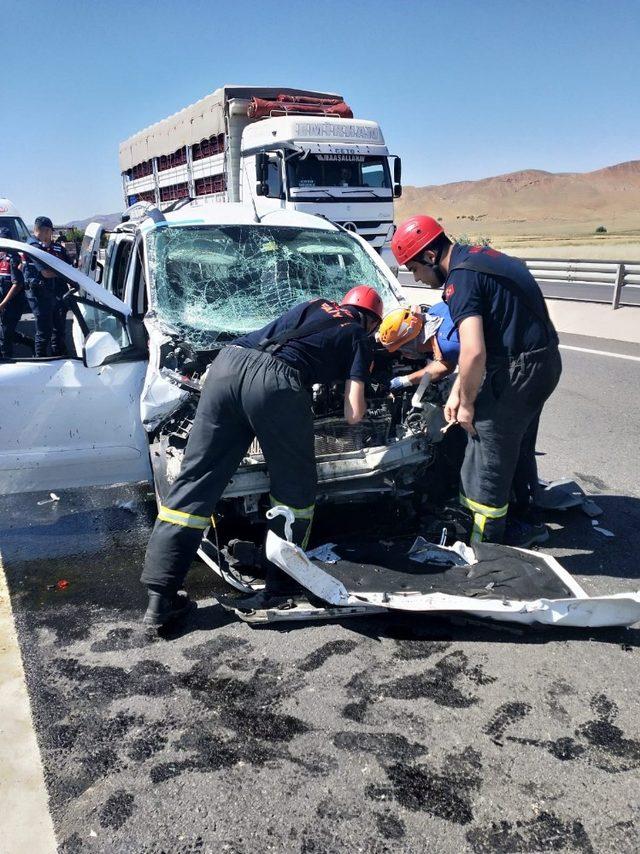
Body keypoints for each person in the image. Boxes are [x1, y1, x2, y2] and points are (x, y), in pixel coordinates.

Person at [141, 285, 384, 628]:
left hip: (228, 363)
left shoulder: (314, 304)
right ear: (372, 322)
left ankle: (160, 598)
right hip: (276, 383)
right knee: (294, 491)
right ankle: (280, 586)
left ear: (344, 303)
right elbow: (354, 412)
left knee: (195, 481)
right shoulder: (359, 335)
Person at [392, 215, 562, 547]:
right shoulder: (479, 257)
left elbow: (472, 352)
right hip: (542, 362)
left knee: (484, 453)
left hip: (517, 370)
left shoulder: (460, 280)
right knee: (518, 443)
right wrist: (459, 390)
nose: (418, 277)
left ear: (430, 256)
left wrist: (467, 405)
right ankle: (526, 516)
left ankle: (486, 543)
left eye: (414, 269)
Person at [378, 301, 460, 392]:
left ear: (415, 341)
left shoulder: (449, 344)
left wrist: (405, 380)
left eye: (404, 350)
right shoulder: (434, 311)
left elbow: (446, 367)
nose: (405, 354)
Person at [23, 216, 71, 357]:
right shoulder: (34, 247)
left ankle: (58, 355)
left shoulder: (49, 247)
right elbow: (46, 273)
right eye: (51, 232)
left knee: (57, 328)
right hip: (40, 294)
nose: (51, 235)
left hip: (51, 294)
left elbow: (69, 264)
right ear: (47, 231)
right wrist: (64, 273)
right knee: (44, 331)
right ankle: (40, 359)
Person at [0, 228, 28, 358]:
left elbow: (17, 284)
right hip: (4, 304)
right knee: (5, 332)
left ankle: (7, 361)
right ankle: (29, 342)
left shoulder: (13, 258)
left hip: (13, 304)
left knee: (5, 337)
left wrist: (3, 304)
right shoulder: (1, 257)